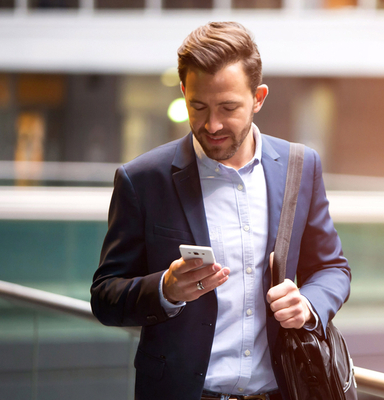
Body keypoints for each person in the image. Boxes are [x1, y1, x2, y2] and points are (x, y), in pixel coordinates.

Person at [90, 21, 351, 400]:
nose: (212, 124)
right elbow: (105, 296)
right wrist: (166, 289)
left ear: (258, 97)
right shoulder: (143, 179)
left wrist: (309, 304)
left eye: (229, 108)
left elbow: (332, 268)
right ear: (183, 92)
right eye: (198, 106)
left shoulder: (300, 166)